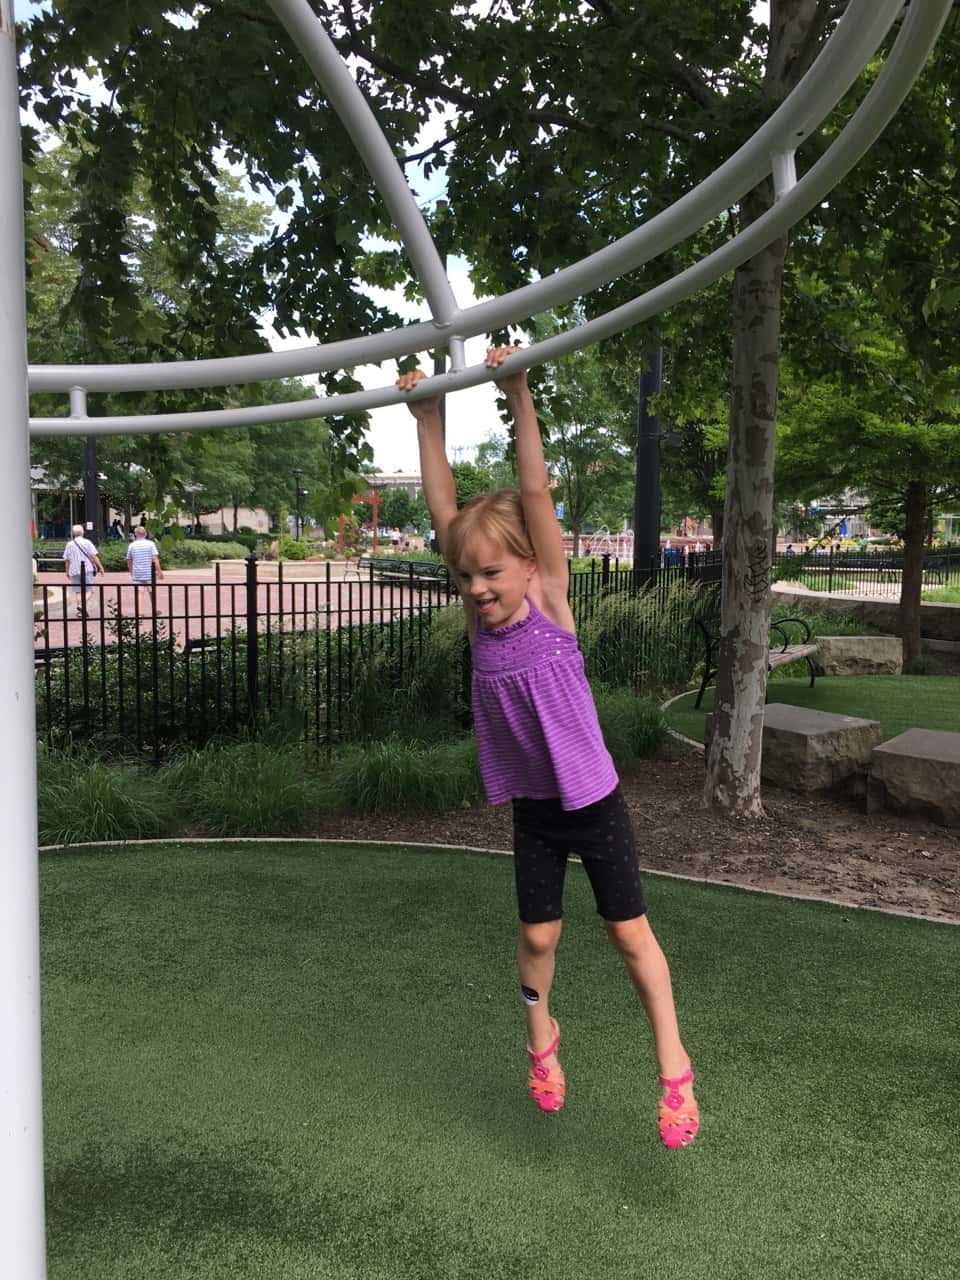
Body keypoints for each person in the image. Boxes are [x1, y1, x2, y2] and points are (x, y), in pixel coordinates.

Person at [399, 346, 699, 1149]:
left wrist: (518, 392)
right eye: (467, 579)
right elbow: (443, 510)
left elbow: (534, 491)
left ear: (531, 566)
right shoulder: (478, 618)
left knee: (628, 934)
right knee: (536, 937)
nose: (478, 590)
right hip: (535, 808)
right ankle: (542, 1036)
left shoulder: (553, 604)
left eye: (493, 574)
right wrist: (427, 417)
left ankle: (673, 1062)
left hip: (593, 802)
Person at [63, 524, 105, 617]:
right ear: (83, 532)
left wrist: (67, 571)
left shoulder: (69, 544)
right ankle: (82, 606)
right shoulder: (87, 542)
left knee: (78, 591)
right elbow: (94, 556)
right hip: (87, 569)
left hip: (74, 570)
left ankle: (80, 611)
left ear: (73, 533)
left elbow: (67, 559)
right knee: (90, 590)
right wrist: (101, 567)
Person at [126, 525, 163, 611]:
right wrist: (159, 572)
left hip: (137, 572)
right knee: (151, 591)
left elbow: (129, 560)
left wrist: (131, 572)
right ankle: (154, 610)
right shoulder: (151, 544)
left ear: (135, 534)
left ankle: (140, 612)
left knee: (139, 592)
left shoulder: (132, 545)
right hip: (149, 572)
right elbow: (155, 559)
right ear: (146, 534)